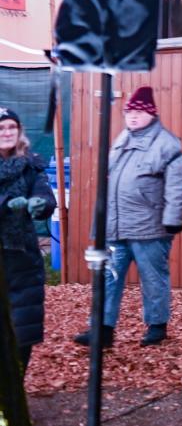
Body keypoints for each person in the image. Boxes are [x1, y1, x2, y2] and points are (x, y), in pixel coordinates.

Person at [74, 87, 182, 349]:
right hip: (116, 225)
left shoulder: (166, 144)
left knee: (152, 277)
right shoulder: (122, 138)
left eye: (138, 112)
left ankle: (157, 326)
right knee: (108, 277)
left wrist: (173, 218)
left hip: (149, 226)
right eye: (129, 112)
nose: (133, 117)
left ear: (151, 114)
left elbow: (177, 184)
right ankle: (102, 329)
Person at [0, 107, 55, 369]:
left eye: (12, 127)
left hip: (22, 259)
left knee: (22, 330)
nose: (7, 132)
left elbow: (46, 197)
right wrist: (7, 204)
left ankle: (16, 396)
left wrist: (38, 204)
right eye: (1, 128)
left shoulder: (31, 164)